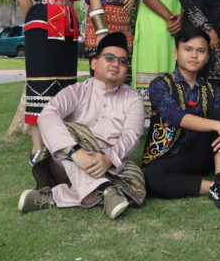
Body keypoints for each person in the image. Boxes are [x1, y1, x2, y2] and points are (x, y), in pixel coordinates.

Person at [17, 32, 145, 220]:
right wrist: (76, 153)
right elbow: (47, 115)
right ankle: (105, 188)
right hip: (68, 161)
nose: (116, 64)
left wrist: (108, 159)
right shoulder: (77, 91)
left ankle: (52, 197)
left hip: (108, 165)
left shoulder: (133, 98)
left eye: (122, 61)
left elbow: (131, 137)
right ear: (94, 63)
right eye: (109, 58)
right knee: (70, 129)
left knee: (137, 184)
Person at [142, 27, 220, 209]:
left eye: (201, 51)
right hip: (169, 155)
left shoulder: (211, 89)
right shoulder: (160, 84)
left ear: (207, 57)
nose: (194, 55)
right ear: (176, 53)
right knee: (151, 179)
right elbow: (177, 117)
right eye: (188, 49)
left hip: (201, 154)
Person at [18, 0, 81, 164]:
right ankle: (37, 150)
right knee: (40, 85)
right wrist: (32, 26)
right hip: (42, 24)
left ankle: (60, 144)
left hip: (68, 26)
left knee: (65, 85)